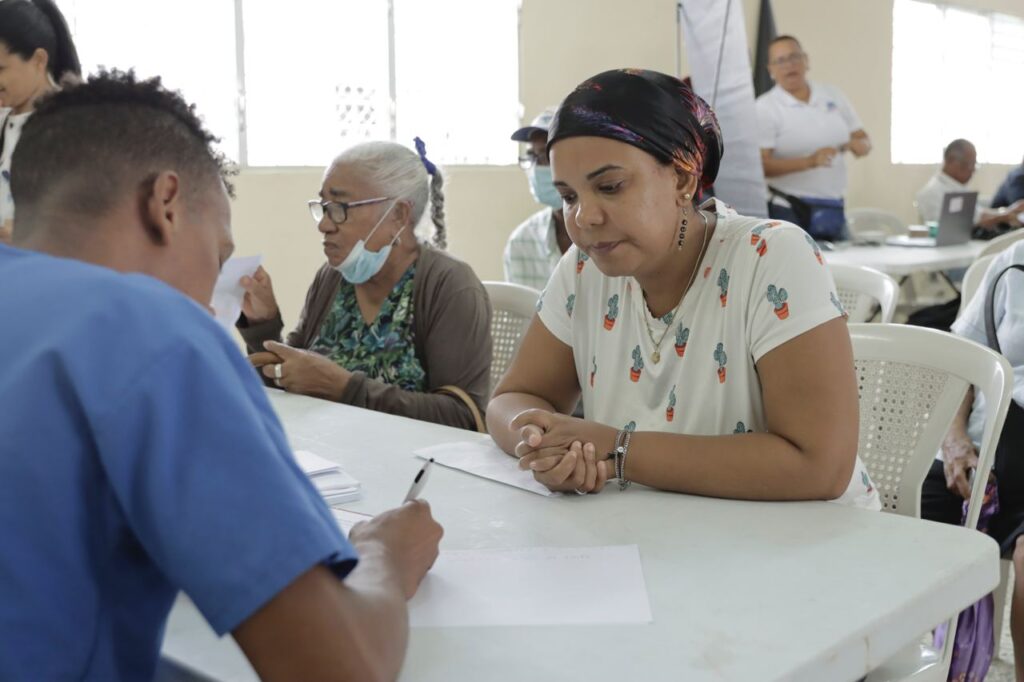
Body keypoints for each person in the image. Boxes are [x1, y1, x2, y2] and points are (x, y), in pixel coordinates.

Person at [0, 70, 443, 681]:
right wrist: (384, 553)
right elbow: (345, 668)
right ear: (165, 205)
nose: (211, 304)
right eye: (217, 256)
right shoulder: (152, 332)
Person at [486, 68, 879, 509]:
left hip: (811, 549)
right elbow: (511, 399)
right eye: (570, 196)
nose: (583, 218)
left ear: (683, 179)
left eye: (610, 187)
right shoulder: (583, 269)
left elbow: (819, 466)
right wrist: (543, 443)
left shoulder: (771, 258)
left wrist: (618, 450)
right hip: (664, 539)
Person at [238, 140, 492, 431]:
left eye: (340, 208)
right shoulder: (334, 277)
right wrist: (263, 325)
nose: (324, 225)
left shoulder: (449, 286)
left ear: (397, 215)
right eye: (323, 207)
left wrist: (345, 389)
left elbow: (463, 419)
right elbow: (290, 380)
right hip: (329, 454)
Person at [921, 242, 1024, 680]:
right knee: (884, 512)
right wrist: (955, 439)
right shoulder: (1011, 265)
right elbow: (961, 364)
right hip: (984, 443)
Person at [756, 35, 871, 242]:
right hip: (789, 209)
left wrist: (859, 145)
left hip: (833, 206)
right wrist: (809, 161)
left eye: (794, 57)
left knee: (842, 271)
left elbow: (863, 139)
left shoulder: (832, 95)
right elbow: (760, 166)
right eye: (780, 61)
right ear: (770, 70)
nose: (789, 65)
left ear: (806, 60)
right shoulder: (765, 108)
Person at [0, 0, 81, 243]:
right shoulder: (4, 118)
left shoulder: (73, 124)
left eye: (0, 68)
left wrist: (20, 233)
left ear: (38, 59)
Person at [504, 106, 572, 290]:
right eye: (532, 157)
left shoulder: (606, 233)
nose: (536, 168)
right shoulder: (522, 242)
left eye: (545, 156)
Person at [915, 139, 1024, 234]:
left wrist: (1008, 212)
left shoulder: (957, 188)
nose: (973, 170)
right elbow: (953, 229)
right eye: (970, 164)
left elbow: (979, 215)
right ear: (951, 161)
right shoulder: (931, 193)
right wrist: (1004, 215)